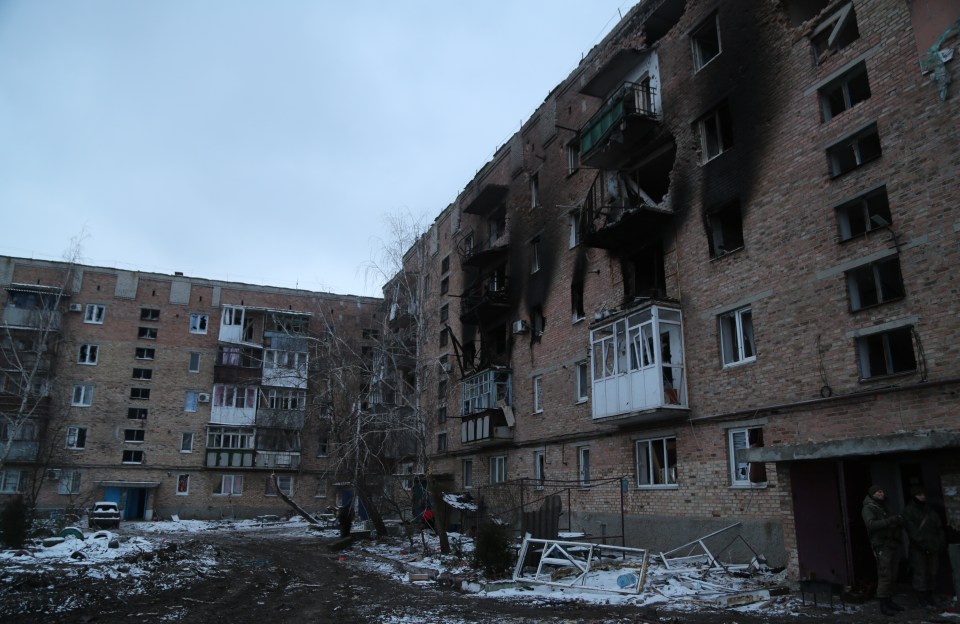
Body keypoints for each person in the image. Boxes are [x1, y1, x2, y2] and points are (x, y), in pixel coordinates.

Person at [862, 484, 905, 616]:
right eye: (878, 492)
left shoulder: (884, 505)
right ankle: (883, 605)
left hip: (892, 542)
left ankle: (889, 600)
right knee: (885, 575)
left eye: (882, 491)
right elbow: (871, 524)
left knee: (893, 574)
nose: (882, 493)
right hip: (881, 544)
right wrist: (889, 521)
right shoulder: (869, 508)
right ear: (873, 494)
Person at [902, 486, 945, 608]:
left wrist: (940, 543)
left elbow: (939, 527)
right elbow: (912, 531)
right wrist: (923, 545)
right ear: (914, 496)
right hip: (918, 548)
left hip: (933, 546)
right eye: (919, 494)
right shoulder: (909, 511)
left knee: (932, 572)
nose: (922, 496)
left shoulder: (929, 510)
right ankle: (922, 597)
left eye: (923, 494)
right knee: (920, 572)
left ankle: (930, 595)